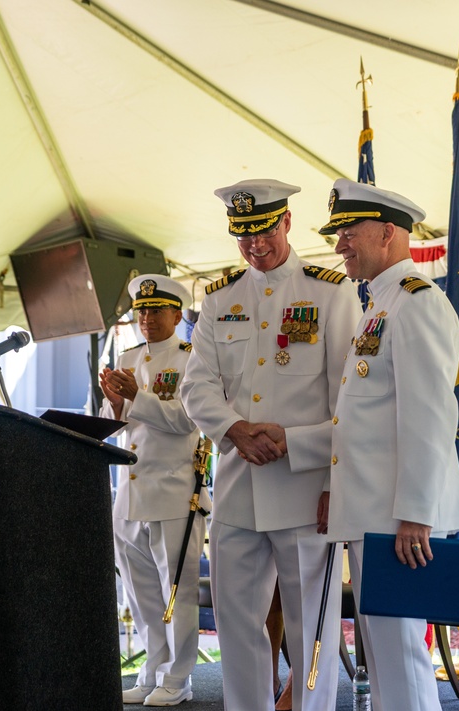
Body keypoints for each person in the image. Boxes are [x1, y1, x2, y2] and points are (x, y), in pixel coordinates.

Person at [181, 179, 362, 711]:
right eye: (242, 237)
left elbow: (348, 400)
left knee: (312, 628)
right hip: (237, 490)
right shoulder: (219, 299)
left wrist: (320, 466)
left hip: (306, 492)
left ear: (286, 222)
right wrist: (235, 430)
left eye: (263, 232)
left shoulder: (330, 292)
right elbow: (196, 386)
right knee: (236, 626)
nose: (254, 246)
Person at [320, 178, 459, 711]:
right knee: (381, 656)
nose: (339, 246)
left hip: (397, 518)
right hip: (371, 510)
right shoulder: (380, 304)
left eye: (348, 233)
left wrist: (415, 513)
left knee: (401, 655)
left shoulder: (417, 304)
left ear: (387, 233)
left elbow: (429, 417)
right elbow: (366, 418)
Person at [101, 274, 211, 707]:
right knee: (140, 591)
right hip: (129, 494)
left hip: (174, 492)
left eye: (155, 310)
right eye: (141, 310)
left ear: (177, 314)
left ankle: (178, 678)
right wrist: (113, 403)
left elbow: (188, 420)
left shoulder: (191, 359)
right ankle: (152, 671)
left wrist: (137, 396)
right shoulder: (128, 357)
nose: (145, 317)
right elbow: (120, 425)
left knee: (176, 592)